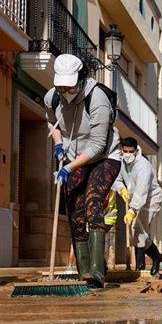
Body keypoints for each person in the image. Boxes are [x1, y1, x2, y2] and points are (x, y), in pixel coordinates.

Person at [46, 54, 121, 288]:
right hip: (73, 156)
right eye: (61, 87)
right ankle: (84, 273)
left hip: (105, 156)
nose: (65, 91)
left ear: (80, 79)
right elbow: (51, 122)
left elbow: (98, 146)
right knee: (75, 213)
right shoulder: (52, 98)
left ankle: (98, 273)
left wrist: (68, 167)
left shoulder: (97, 99)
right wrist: (58, 143)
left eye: (69, 86)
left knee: (92, 203)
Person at [112, 137, 162, 275]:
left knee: (137, 230)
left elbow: (142, 190)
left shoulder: (143, 165)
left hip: (150, 199)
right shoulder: (121, 161)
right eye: (125, 151)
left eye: (131, 151)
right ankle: (155, 257)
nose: (128, 154)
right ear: (121, 150)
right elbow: (116, 179)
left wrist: (132, 209)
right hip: (134, 198)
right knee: (138, 232)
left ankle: (142, 265)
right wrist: (121, 189)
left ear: (136, 150)